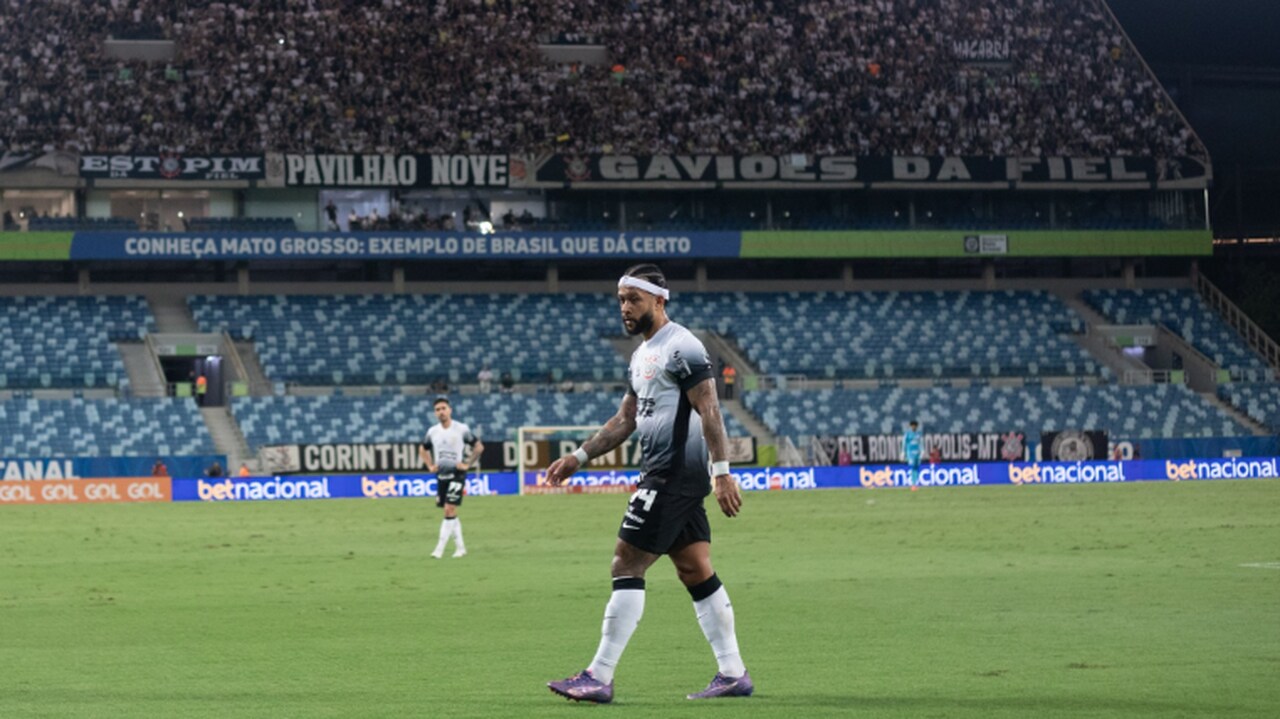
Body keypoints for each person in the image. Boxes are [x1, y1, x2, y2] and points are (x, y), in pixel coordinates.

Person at [546, 264, 752, 704]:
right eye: (620, 299)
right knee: (694, 568)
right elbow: (625, 420)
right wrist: (579, 457)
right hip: (669, 474)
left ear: (659, 300)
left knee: (626, 563)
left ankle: (599, 676)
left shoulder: (682, 346)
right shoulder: (642, 355)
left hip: (673, 475)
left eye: (633, 299)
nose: (624, 307)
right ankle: (734, 672)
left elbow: (711, 409)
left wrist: (722, 472)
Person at [419, 396, 483, 559]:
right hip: (441, 475)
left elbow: (478, 447)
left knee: (449, 508)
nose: (441, 412)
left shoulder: (461, 429)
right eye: (437, 410)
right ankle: (461, 548)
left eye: (443, 408)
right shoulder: (432, 432)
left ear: (450, 410)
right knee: (450, 511)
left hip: (457, 474)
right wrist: (430, 465)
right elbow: (422, 448)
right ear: (435, 413)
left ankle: (439, 550)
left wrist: (467, 464)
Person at [903, 420, 922, 491]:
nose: (914, 427)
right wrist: (903, 452)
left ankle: (915, 484)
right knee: (913, 468)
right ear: (911, 426)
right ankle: (913, 485)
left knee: (917, 469)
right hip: (910, 453)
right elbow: (904, 443)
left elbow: (921, 443)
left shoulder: (918, 434)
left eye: (915, 425)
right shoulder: (908, 434)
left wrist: (922, 451)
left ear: (916, 426)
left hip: (917, 454)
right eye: (912, 425)